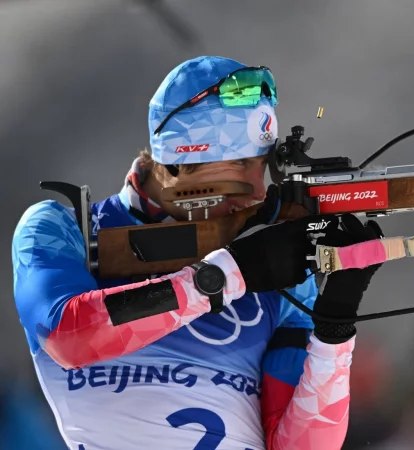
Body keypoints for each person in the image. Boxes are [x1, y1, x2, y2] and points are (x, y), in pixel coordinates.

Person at [11, 56, 382, 450]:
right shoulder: (63, 229)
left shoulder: (276, 264)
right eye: (240, 163)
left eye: (262, 166)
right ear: (182, 158)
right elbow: (67, 336)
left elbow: (300, 446)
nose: (258, 191)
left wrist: (334, 334)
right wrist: (223, 278)